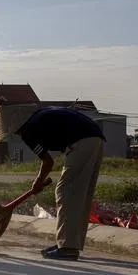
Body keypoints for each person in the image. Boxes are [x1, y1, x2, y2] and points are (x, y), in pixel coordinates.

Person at [16, 106, 106, 260]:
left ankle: (67, 247)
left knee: (65, 190)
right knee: (80, 194)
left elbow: (48, 161)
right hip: (96, 137)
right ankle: (68, 243)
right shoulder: (41, 115)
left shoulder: (28, 131)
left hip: (81, 141)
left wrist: (38, 182)